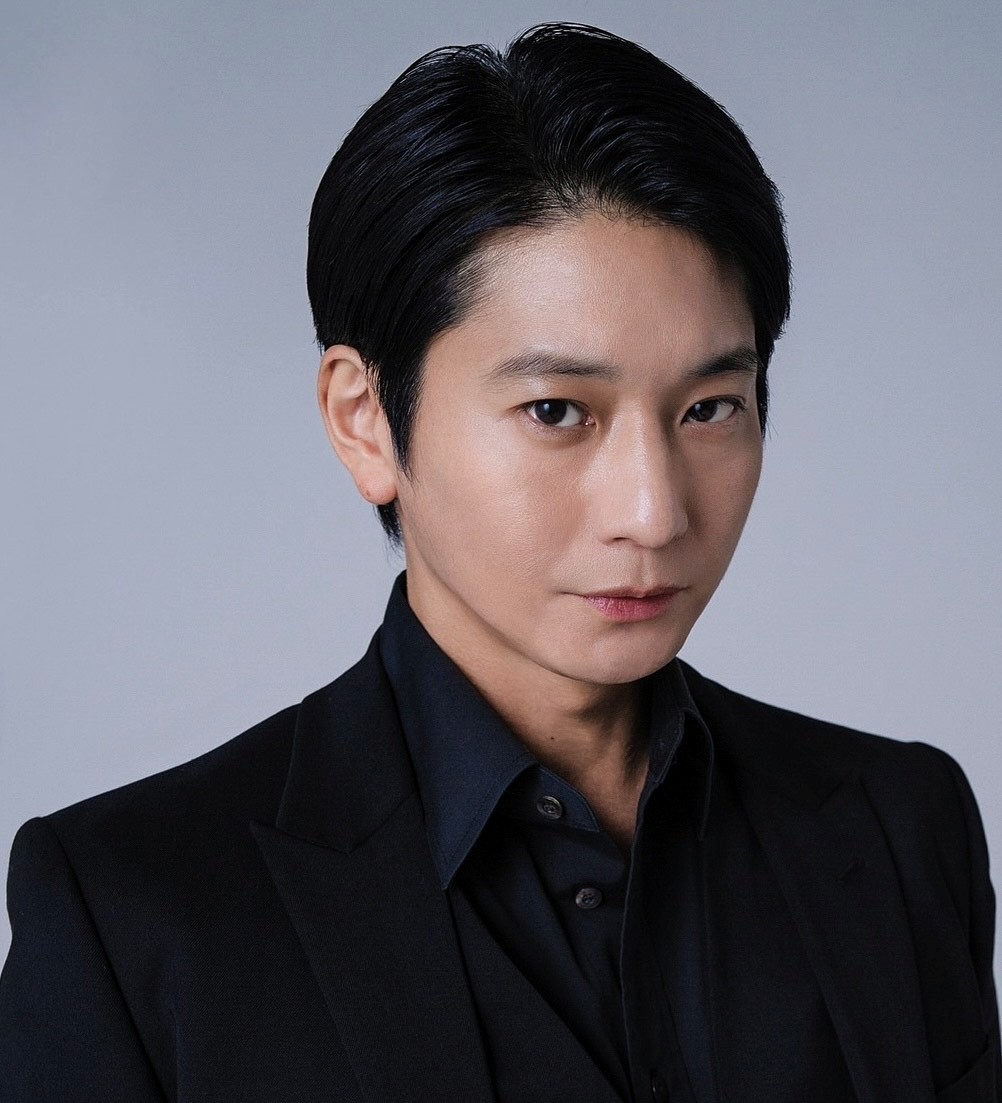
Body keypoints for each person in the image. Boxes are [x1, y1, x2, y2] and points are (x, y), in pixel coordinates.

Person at [0, 22, 996, 1103]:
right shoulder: (133, 916)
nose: (654, 511)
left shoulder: (902, 827)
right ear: (365, 419)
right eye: (557, 410)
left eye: (710, 407)